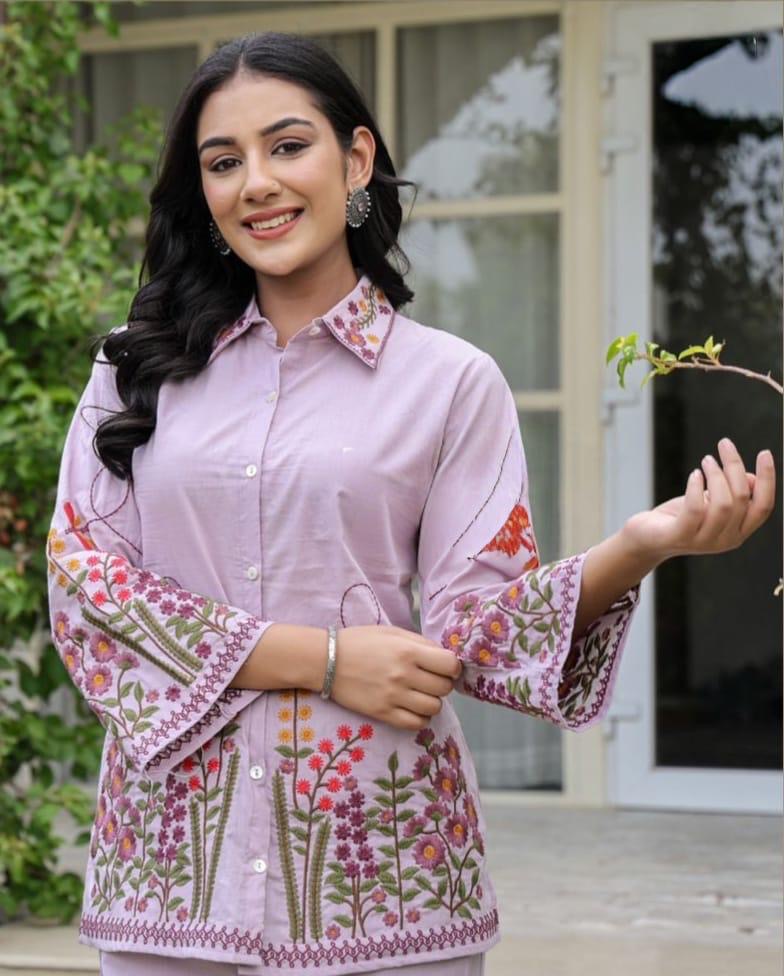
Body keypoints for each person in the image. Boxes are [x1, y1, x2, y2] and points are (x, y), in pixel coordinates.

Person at [45, 31, 776, 976]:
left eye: (287, 145)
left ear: (354, 159)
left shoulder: (451, 384)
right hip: (170, 888)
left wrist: (639, 546)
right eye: (223, 162)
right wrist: (328, 660)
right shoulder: (133, 368)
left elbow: (479, 631)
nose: (256, 182)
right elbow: (90, 588)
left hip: (386, 888)